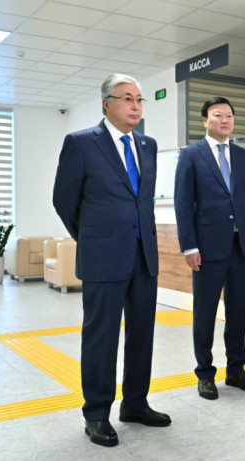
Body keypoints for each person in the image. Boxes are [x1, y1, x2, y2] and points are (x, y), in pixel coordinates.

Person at [53, 74, 170, 448]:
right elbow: (64, 201)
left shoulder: (148, 145)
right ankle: (96, 414)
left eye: (139, 99)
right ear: (107, 104)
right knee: (101, 336)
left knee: (142, 334)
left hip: (143, 255)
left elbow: (142, 201)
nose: (135, 105)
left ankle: (135, 403)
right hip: (103, 256)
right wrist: (92, 238)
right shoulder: (81, 143)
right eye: (127, 98)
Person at [174, 97, 245, 400]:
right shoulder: (191, 155)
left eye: (229, 115)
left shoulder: (242, 156)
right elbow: (183, 203)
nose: (225, 120)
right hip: (207, 248)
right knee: (205, 313)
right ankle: (204, 374)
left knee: (238, 312)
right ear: (205, 120)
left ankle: (236, 370)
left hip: (239, 247)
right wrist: (189, 246)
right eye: (218, 115)